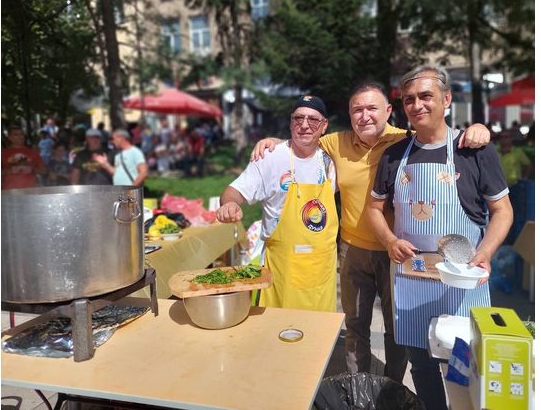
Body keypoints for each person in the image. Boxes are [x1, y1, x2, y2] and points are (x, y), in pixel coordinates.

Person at [251, 83, 491, 383]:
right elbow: (303, 136)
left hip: (398, 250)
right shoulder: (335, 143)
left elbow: (438, 134)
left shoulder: (404, 141)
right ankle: (358, 386)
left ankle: (389, 387)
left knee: (397, 326)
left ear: (388, 111)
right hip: (352, 250)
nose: (364, 116)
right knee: (355, 325)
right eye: (357, 110)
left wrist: (478, 128)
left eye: (371, 108)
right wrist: (272, 140)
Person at [367, 65, 513, 410]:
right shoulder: (393, 156)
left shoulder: (473, 150)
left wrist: (486, 252)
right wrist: (389, 240)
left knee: (469, 365)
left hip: (463, 281)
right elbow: (374, 209)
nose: (417, 105)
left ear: (446, 99)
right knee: (421, 364)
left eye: (426, 96)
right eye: (409, 100)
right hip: (413, 278)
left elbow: (503, 211)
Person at [217, 95, 338, 312]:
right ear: (290, 122)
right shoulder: (270, 158)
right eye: (298, 118)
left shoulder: (332, 158)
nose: (304, 125)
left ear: (324, 126)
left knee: (319, 336)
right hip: (283, 268)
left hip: (322, 267)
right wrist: (230, 204)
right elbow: (233, 191)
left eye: (312, 120)